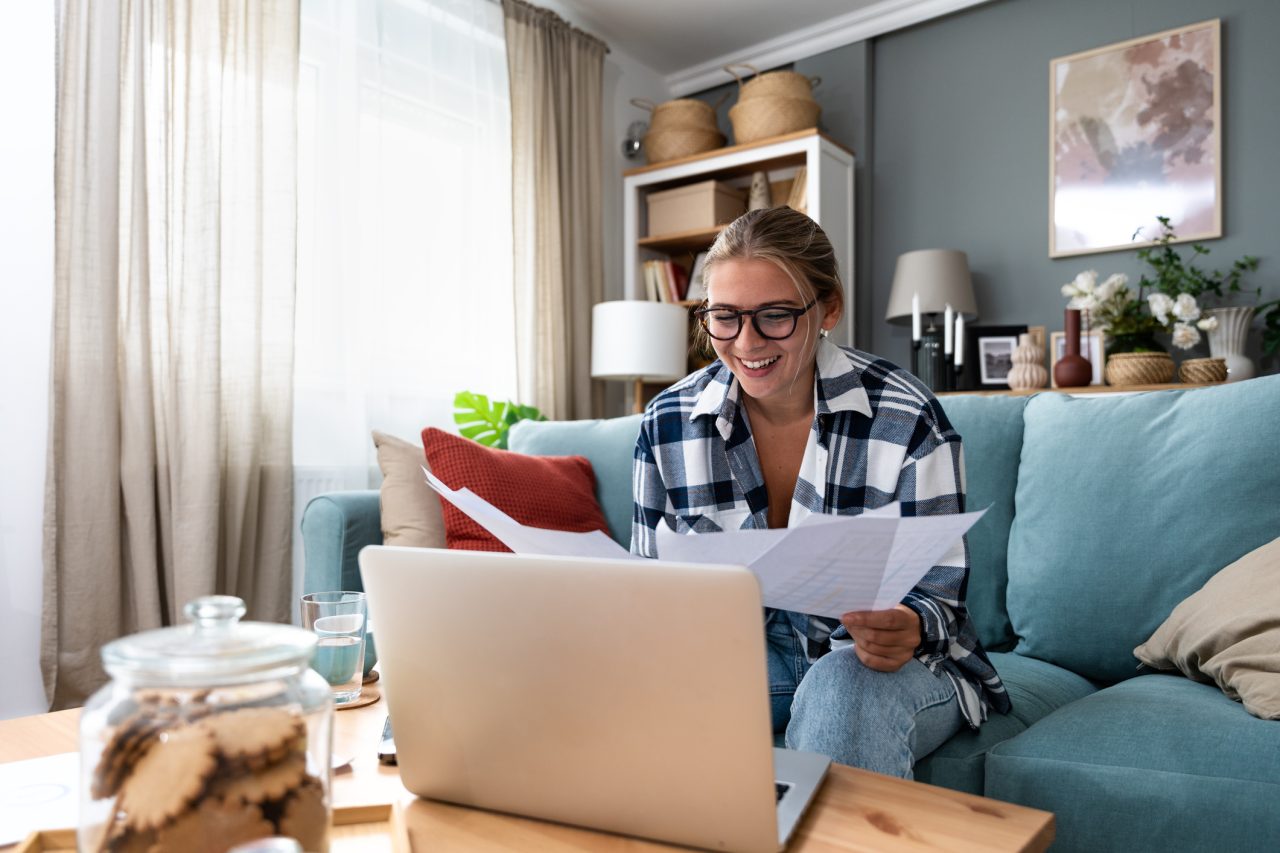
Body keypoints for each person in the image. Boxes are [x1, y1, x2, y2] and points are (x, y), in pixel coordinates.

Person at [630, 207, 1009, 778]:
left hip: (886, 664)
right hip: (746, 654)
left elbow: (939, 599)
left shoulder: (908, 416)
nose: (746, 342)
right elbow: (646, 588)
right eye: (724, 317)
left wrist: (908, 623)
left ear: (828, 308)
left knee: (841, 689)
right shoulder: (666, 422)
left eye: (776, 316)